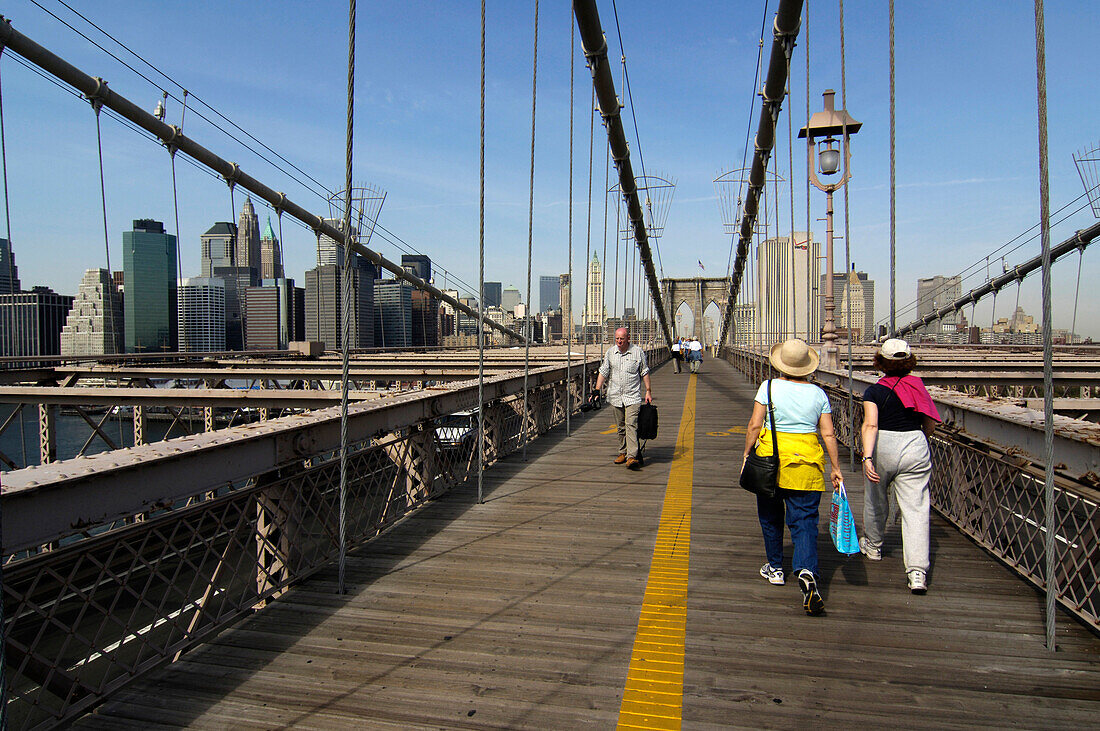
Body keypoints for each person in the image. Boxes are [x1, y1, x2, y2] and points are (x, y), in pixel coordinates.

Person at [743, 338, 843, 616]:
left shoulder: (769, 387)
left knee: (771, 518)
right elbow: (828, 434)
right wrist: (836, 467)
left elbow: (754, 424)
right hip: (808, 466)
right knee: (805, 522)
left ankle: (775, 568)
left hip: (770, 464)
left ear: (780, 365)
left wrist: (746, 454)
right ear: (807, 367)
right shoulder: (818, 394)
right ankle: (807, 572)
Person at [859, 338, 940, 594]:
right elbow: (930, 424)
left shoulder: (874, 392)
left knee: (876, 499)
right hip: (914, 442)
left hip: (884, 443)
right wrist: (919, 441)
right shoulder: (918, 387)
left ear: (881, 362)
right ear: (909, 363)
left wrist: (867, 457)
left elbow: (870, 425)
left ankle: (873, 546)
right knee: (915, 508)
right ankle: (917, 572)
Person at [595, 327, 652, 469]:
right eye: (617, 339)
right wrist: (596, 390)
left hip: (632, 396)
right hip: (615, 396)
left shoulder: (638, 352)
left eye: (622, 338)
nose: (619, 341)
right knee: (620, 427)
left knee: (631, 424)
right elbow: (603, 372)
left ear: (628, 338)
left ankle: (632, 457)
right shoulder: (610, 353)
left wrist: (648, 391)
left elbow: (644, 372)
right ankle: (623, 452)